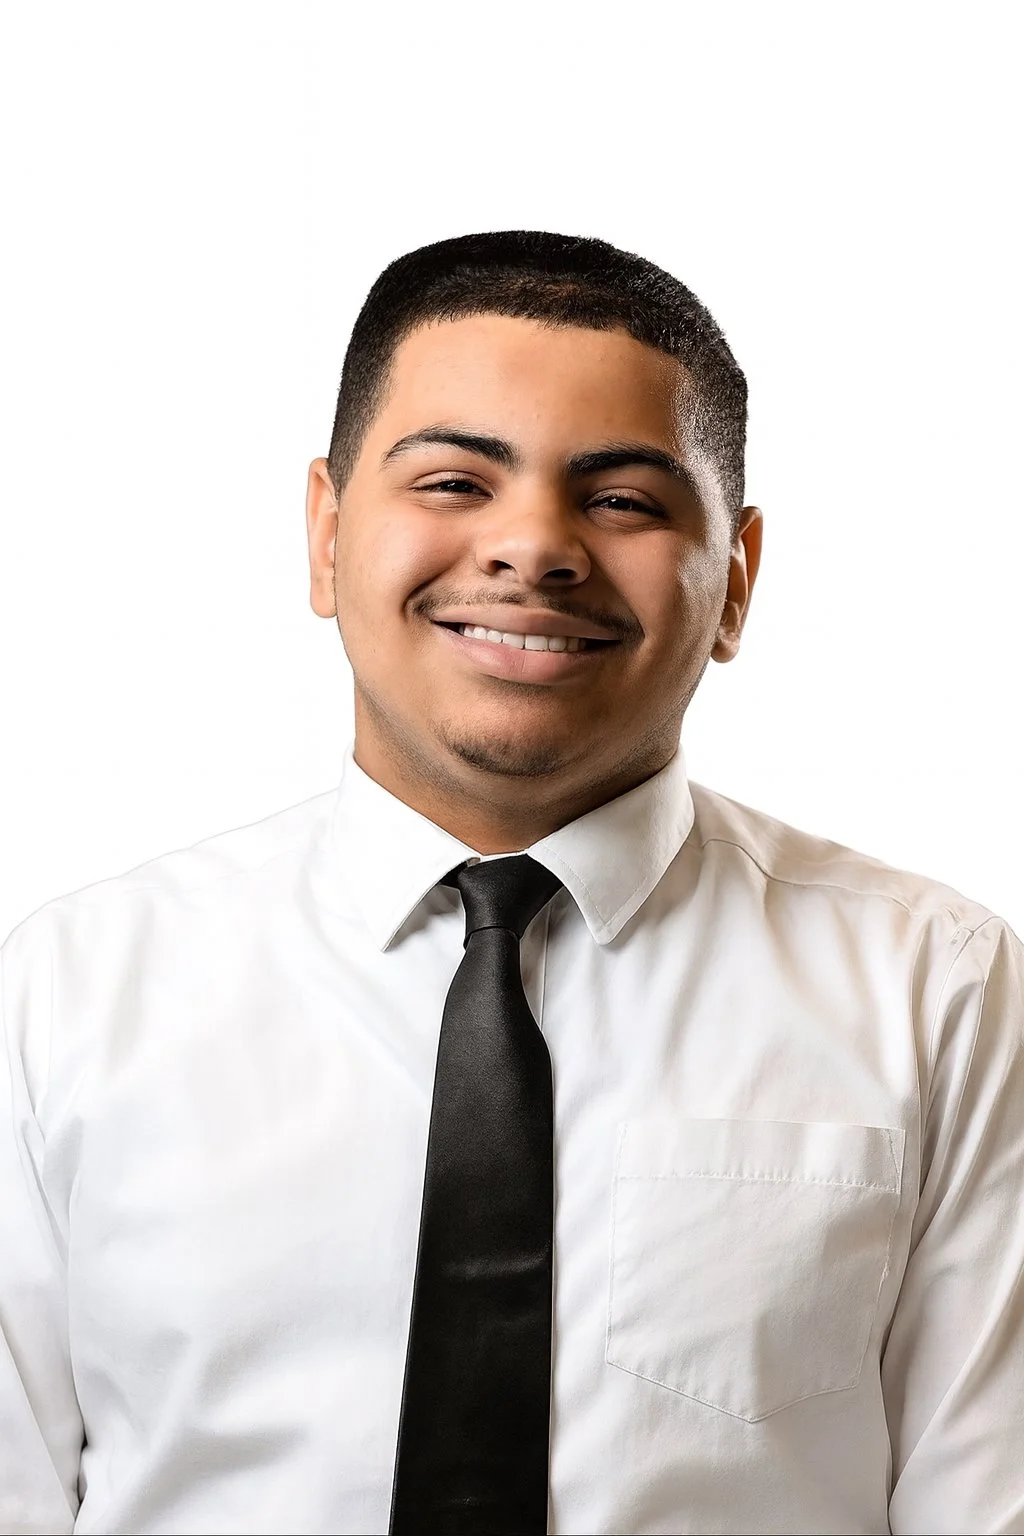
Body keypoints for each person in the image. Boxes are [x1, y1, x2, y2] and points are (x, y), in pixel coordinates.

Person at [1, 230, 1021, 1536]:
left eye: (623, 500)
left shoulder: (936, 990)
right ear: (325, 533)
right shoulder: (71, 994)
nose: (533, 547)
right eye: (453, 481)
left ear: (738, 582)